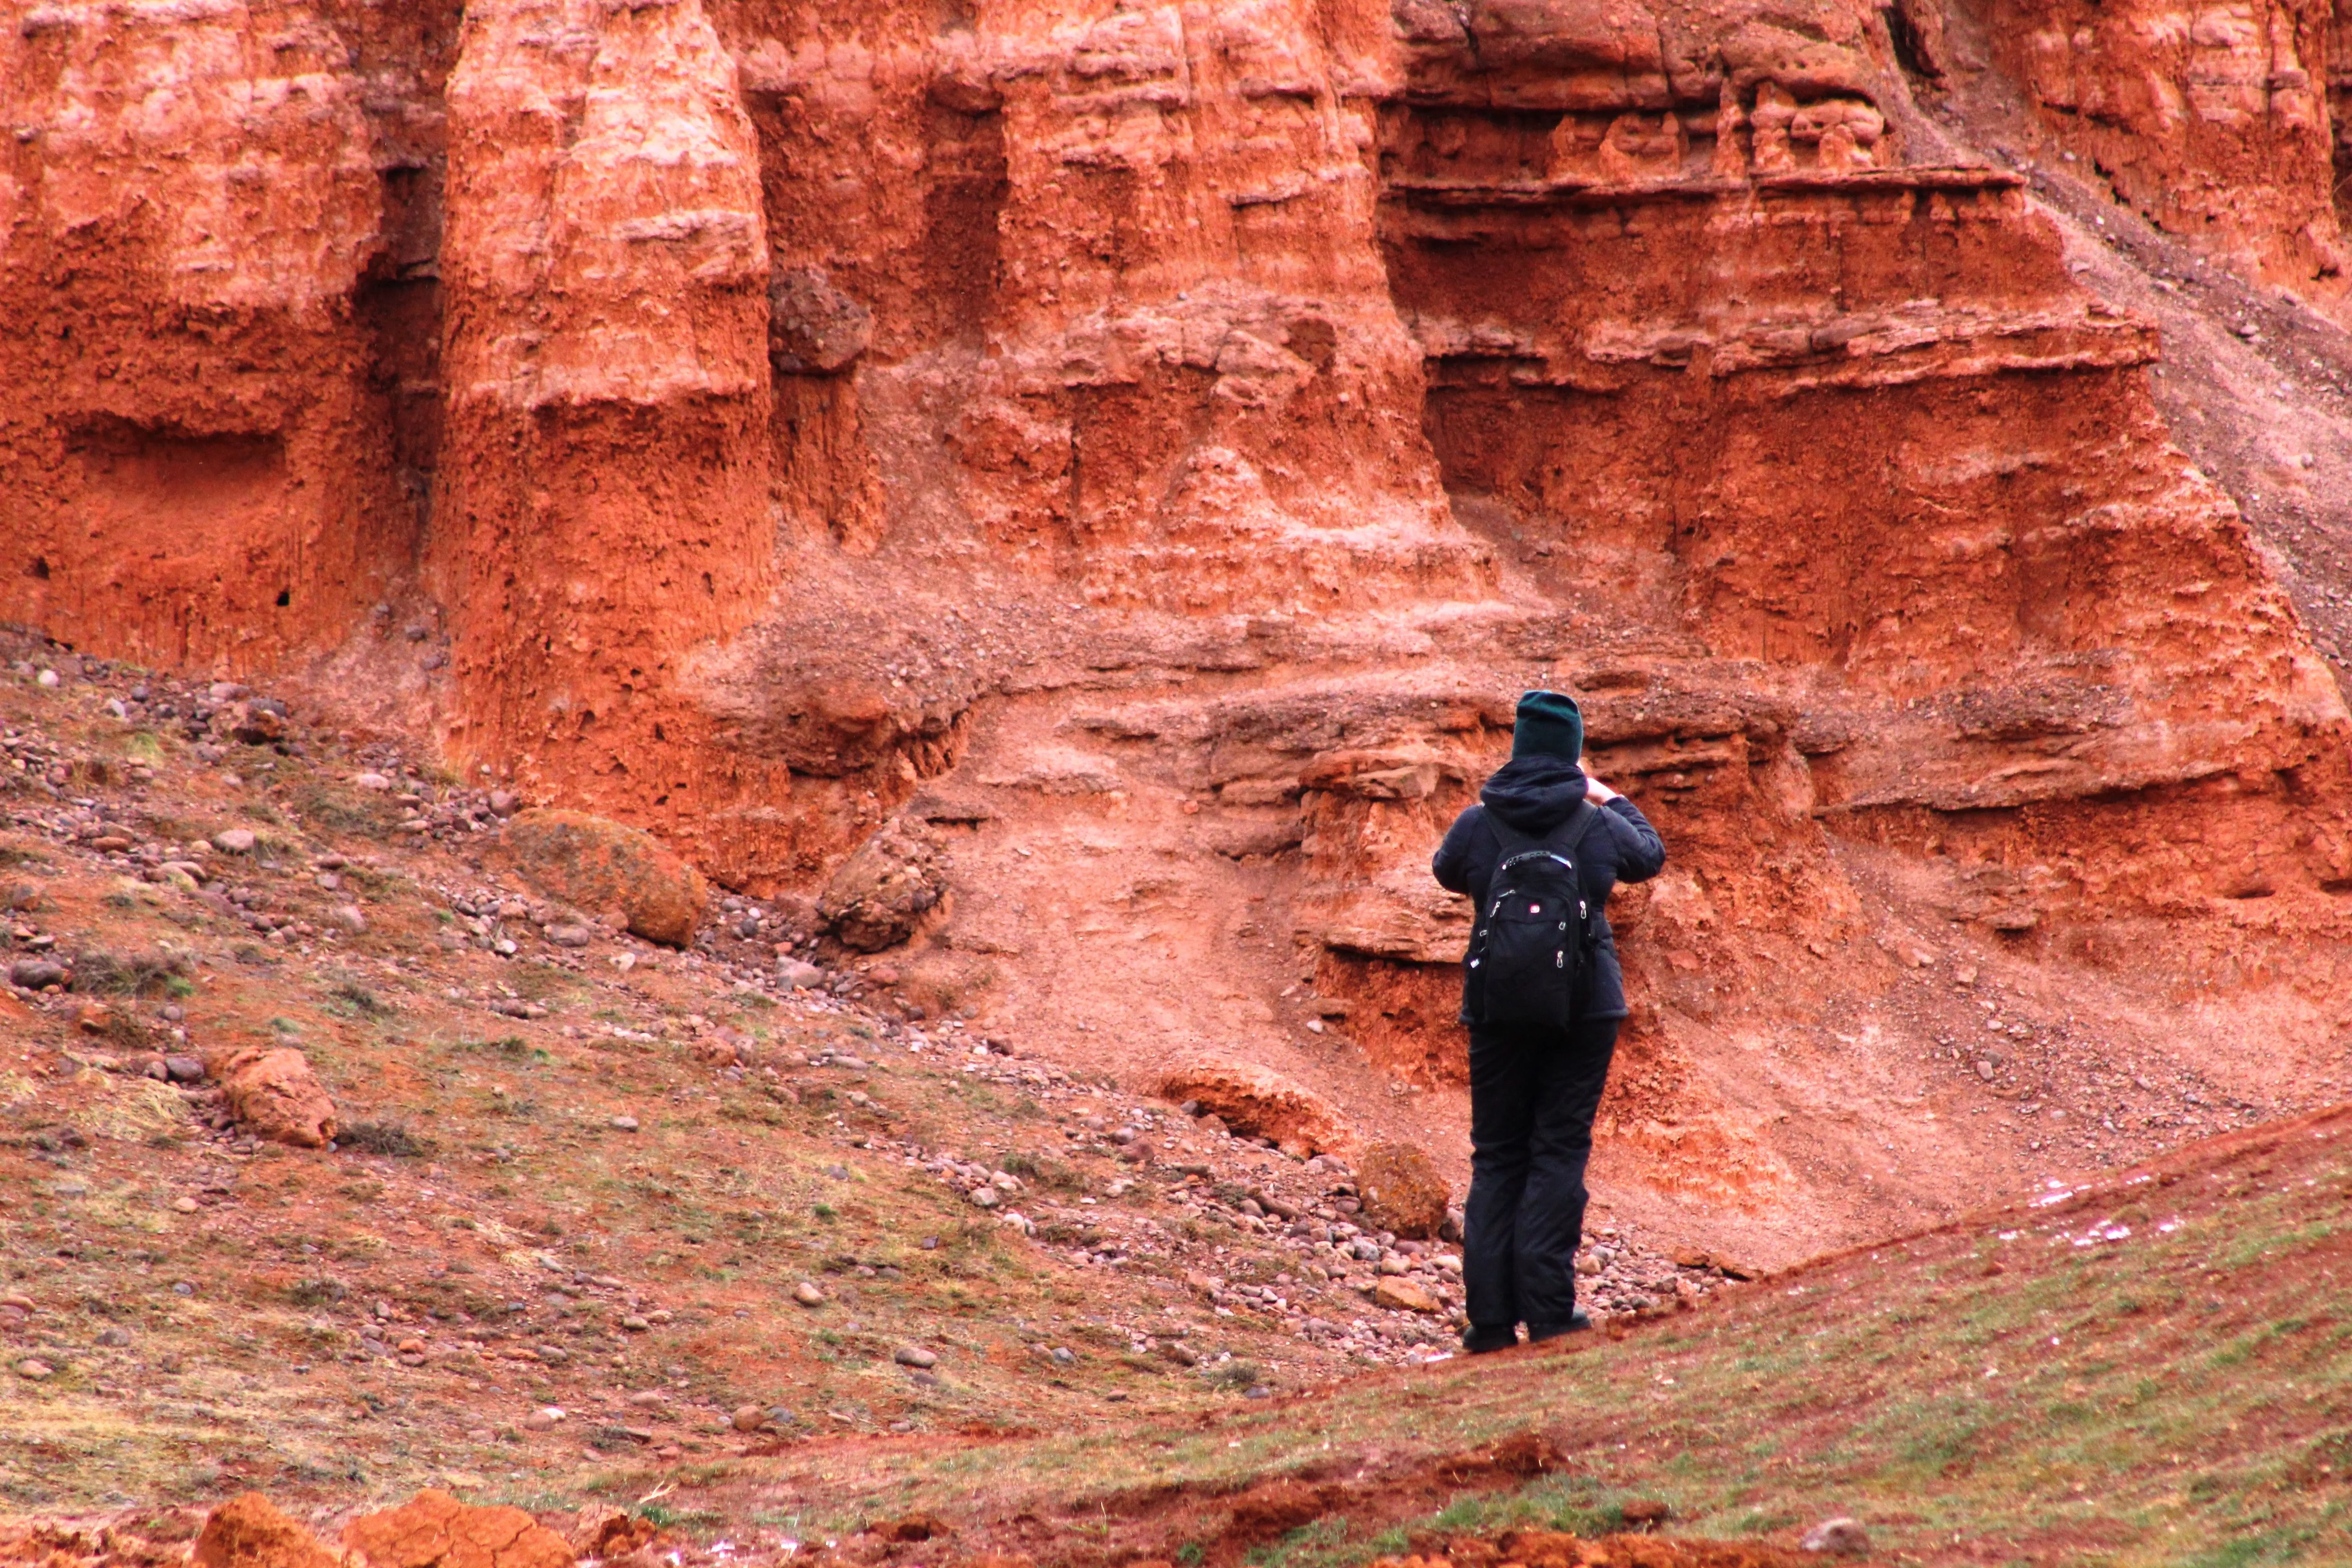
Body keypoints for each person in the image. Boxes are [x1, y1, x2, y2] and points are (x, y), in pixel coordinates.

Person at [1431, 689, 1666, 1352]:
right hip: (1584, 1005)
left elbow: (1447, 873)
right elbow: (1649, 857)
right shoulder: (1594, 822)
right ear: (1572, 752)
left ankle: (1492, 1323)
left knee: (1499, 1154)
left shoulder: (1479, 821)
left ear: (1517, 748)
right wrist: (1606, 795)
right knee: (1557, 1150)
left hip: (1498, 1008)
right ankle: (1553, 1315)